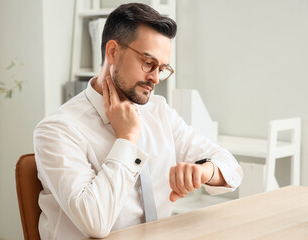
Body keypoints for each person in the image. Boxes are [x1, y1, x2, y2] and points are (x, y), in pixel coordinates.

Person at [34, 3, 243, 239]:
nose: (155, 78)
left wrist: (205, 171)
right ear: (112, 52)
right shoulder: (57, 129)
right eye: (148, 63)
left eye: (162, 69)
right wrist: (127, 139)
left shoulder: (159, 111)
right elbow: (94, 223)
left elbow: (232, 168)